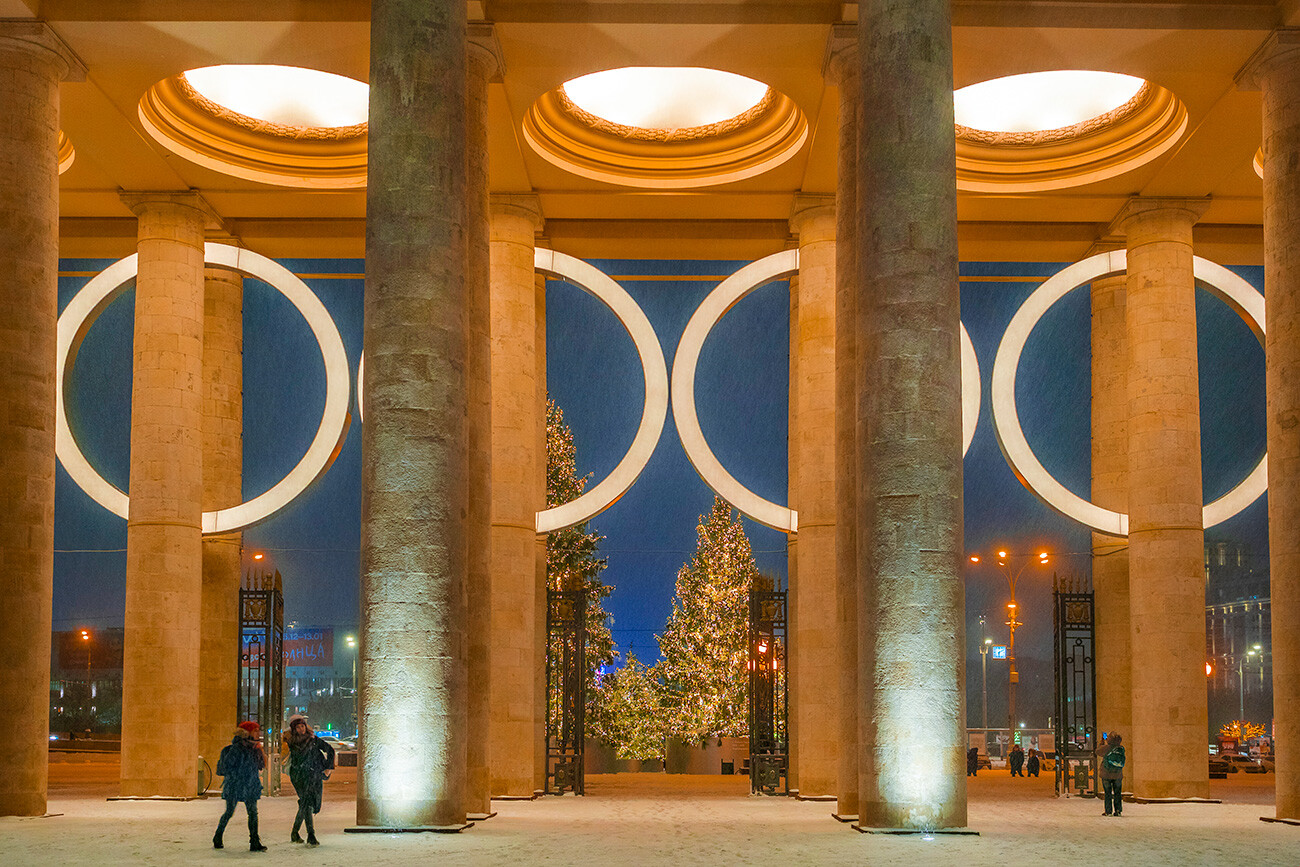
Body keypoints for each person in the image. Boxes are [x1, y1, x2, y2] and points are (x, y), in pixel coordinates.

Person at [281, 714, 335, 846]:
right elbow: (286, 757)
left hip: (313, 775)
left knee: (307, 804)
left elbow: (330, 750)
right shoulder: (291, 742)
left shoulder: (313, 740)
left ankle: (295, 833)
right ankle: (311, 835)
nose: (301, 729)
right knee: (307, 803)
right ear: (294, 729)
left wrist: (328, 767)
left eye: (302, 726)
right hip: (299, 776)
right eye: (298, 727)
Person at [214, 720, 267, 852]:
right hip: (235, 785)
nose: (258, 733)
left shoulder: (255, 748)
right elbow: (227, 766)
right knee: (229, 812)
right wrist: (238, 776)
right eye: (255, 730)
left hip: (250, 785)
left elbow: (262, 766)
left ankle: (254, 841)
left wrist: (260, 750)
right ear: (247, 732)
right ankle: (218, 836)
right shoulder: (236, 748)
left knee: (253, 813)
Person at [1100, 733, 1126, 817]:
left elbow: (1097, 751)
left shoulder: (1106, 748)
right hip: (1118, 774)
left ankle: (1108, 811)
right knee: (1117, 793)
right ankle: (1118, 810)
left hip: (1106, 774)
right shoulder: (1121, 748)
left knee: (1108, 793)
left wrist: (1102, 742)